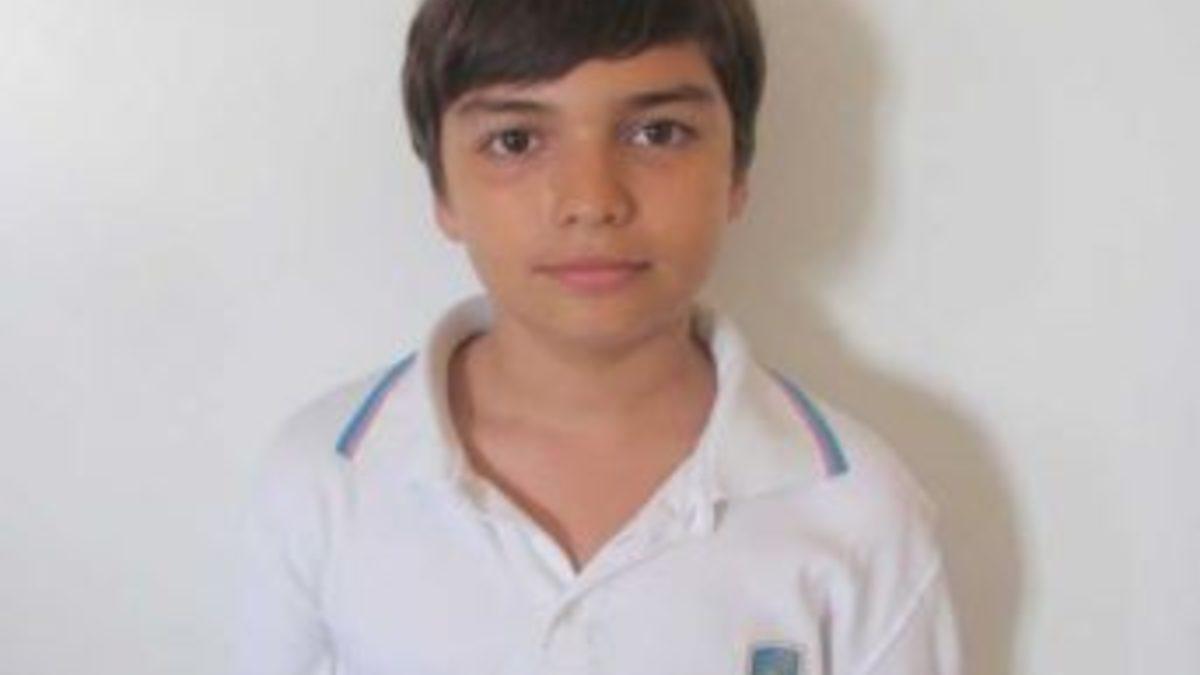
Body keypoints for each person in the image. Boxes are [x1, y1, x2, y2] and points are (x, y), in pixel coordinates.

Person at [232, 1, 961, 673]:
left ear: (737, 169)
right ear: (442, 191)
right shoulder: (324, 481)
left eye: (657, 133)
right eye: (515, 140)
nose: (591, 199)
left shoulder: (857, 509)